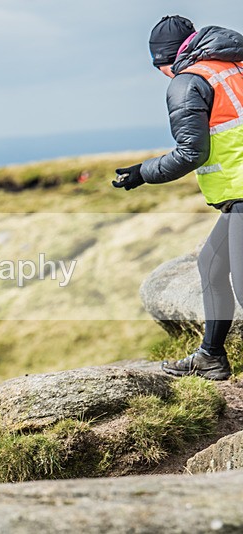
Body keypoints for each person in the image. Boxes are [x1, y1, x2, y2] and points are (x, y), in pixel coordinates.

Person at [114, 15, 243, 381]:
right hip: (237, 197)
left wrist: (142, 173)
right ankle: (211, 356)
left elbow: (191, 153)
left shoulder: (189, 81)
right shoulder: (234, 65)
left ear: (165, 59)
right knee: (211, 265)